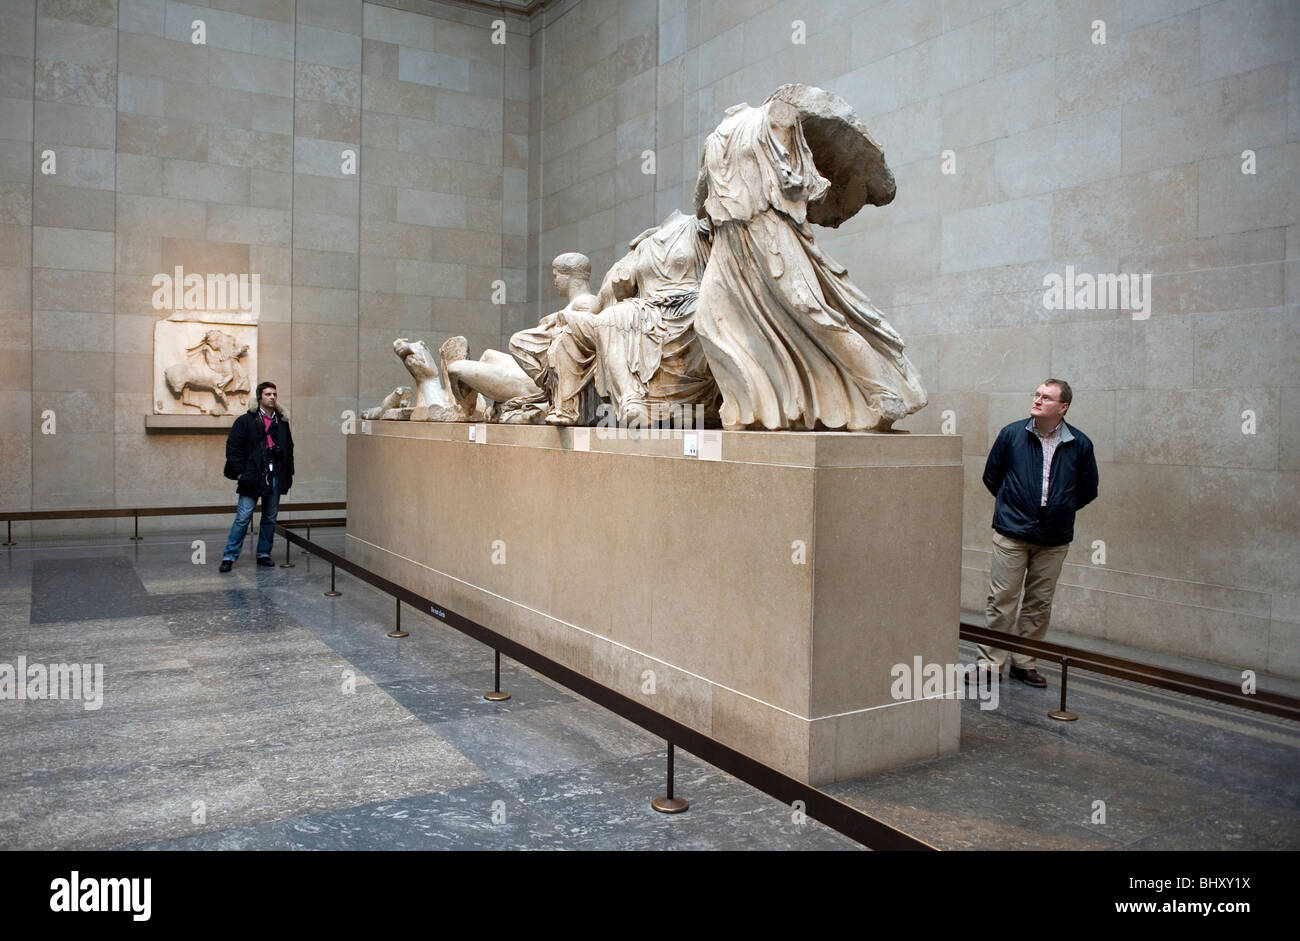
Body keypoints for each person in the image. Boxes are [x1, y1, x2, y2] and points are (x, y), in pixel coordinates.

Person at [692, 95, 927, 431]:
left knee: (812, 312)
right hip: (727, 239)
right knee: (708, 320)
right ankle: (751, 407)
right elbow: (703, 196)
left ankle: (882, 391)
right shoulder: (715, 137)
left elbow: (799, 181)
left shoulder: (778, 112)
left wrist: (844, 188)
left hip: (770, 229)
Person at [977, 379, 1099, 687]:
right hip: (1011, 533)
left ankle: (1024, 662)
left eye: (1046, 397)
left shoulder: (1080, 444)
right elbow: (992, 477)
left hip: (1054, 539)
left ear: (1063, 407)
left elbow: (1087, 490)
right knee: (1001, 600)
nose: (1037, 400)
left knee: (1038, 604)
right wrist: (1016, 507)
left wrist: (1057, 511)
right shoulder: (1011, 434)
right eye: (1036, 394)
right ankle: (989, 663)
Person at [220, 381, 294, 571]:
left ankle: (263, 553)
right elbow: (233, 447)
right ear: (260, 397)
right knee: (243, 517)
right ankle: (229, 556)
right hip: (251, 476)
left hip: (275, 474)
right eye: (268, 394)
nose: (272, 397)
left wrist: (289, 472)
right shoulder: (245, 421)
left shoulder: (282, 422)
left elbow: (289, 449)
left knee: (270, 517)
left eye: (275, 394)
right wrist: (240, 472)